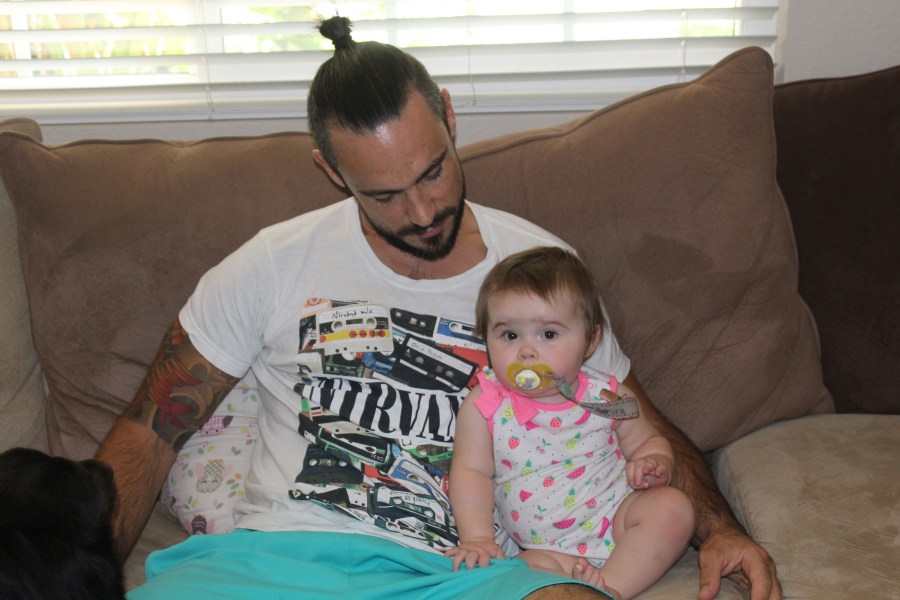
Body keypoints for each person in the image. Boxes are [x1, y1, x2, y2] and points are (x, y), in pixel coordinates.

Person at [96, 15, 781, 600]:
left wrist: (720, 528)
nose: (423, 212)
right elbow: (148, 433)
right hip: (277, 558)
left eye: (433, 172)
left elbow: (631, 411)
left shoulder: (538, 271)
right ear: (332, 172)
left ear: (450, 117)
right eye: (385, 195)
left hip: (464, 571)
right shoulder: (271, 263)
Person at [447, 247, 694, 600]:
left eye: (548, 335)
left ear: (590, 340)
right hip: (543, 552)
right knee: (509, 577)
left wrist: (654, 462)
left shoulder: (607, 396)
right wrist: (477, 538)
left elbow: (646, 441)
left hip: (619, 520)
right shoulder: (485, 405)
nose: (527, 352)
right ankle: (585, 590)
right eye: (510, 336)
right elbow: (470, 473)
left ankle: (610, 588)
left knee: (673, 507)